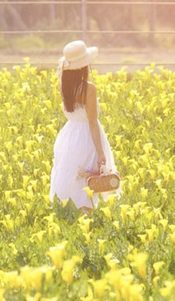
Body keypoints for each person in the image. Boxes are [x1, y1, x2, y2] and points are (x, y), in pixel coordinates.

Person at [49, 40, 121, 213]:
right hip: (86, 137)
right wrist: (101, 152)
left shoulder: (63, 84)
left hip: (68, 136)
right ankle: (86, 218)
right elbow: (92, 122)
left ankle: (67, 213)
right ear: (84, 66)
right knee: (89, 181)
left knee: (70, 177)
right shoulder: (89, 89)